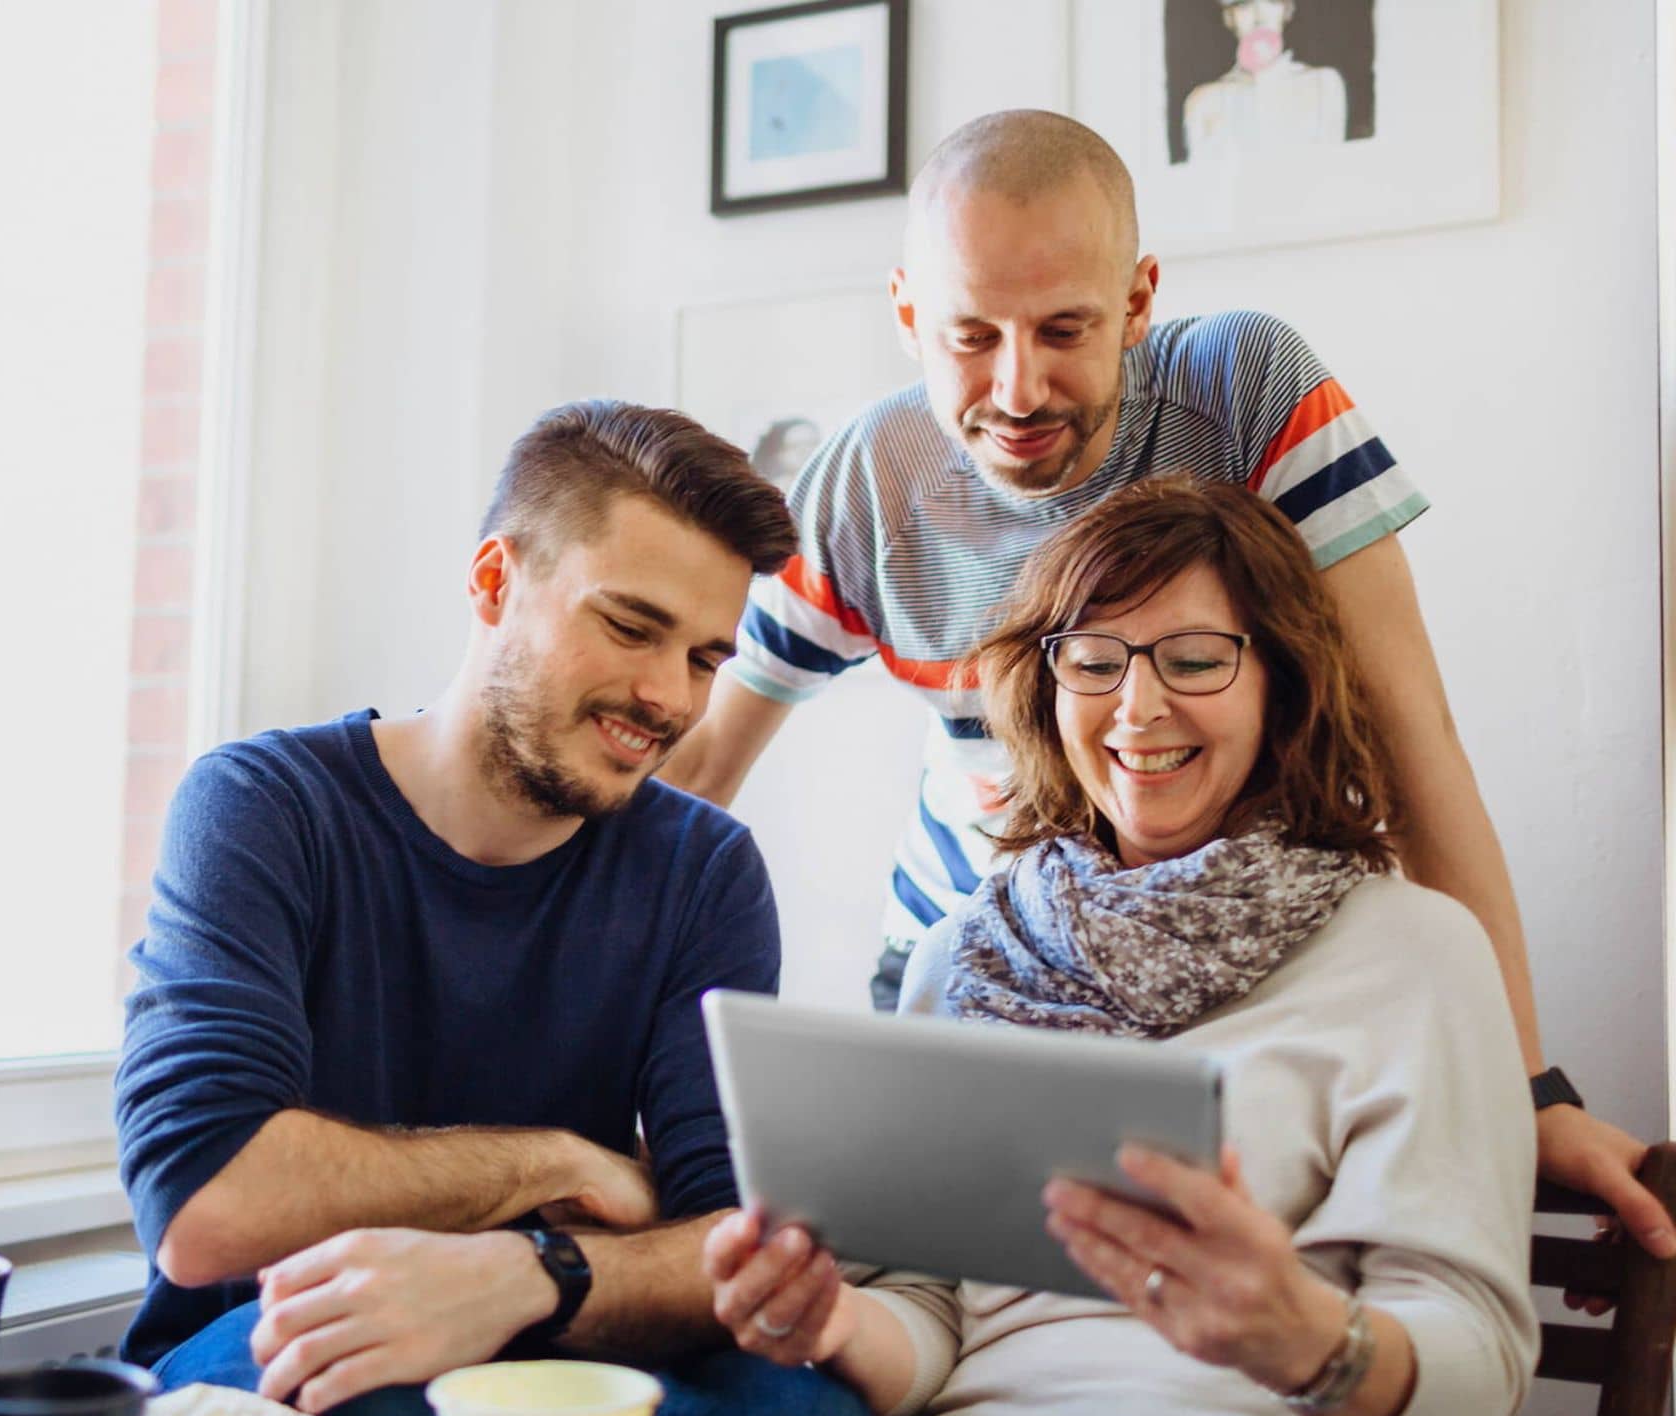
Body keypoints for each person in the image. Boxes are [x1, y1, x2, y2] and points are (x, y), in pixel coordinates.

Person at [659, 108, 1669, 1259]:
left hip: (1246, 957)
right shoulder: (865, 481)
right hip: (971, 966)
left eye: (1063, 329)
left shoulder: (1241, 388)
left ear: (1138, 301)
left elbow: (1409, 736)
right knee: (937, 1328)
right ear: (905, 314)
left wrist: (1523, 1090)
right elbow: (691, 780)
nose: (1018, 388)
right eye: (969, 337)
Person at [705, 477, 1538, 1416]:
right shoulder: (962, 960)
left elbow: (1469, 1383)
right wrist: (827, 1322)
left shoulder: (1414, 952)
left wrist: (1307, 1338)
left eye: (1194, 660)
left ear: (1280, 685)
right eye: (1092, 662)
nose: (1137, 709)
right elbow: (922, 1327)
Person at [114, 400, 875, 1416]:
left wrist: (528, 1274)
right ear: (492, 581)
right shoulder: (264, 807)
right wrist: (553, 1165)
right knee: (387, 1405)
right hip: (277, 1340)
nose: (670, 697)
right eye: (629, 626)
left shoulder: (702, 870)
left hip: (554, 1329)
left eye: (704, 655)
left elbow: (726, 1250)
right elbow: (207, 1200)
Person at [1182, 0, 1349, 163]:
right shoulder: (1203, 101)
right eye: (1244, 4)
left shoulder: (1323, 83)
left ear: (1287, 10)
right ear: (1229, 17)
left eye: (1272, 1)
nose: (1260, 18)